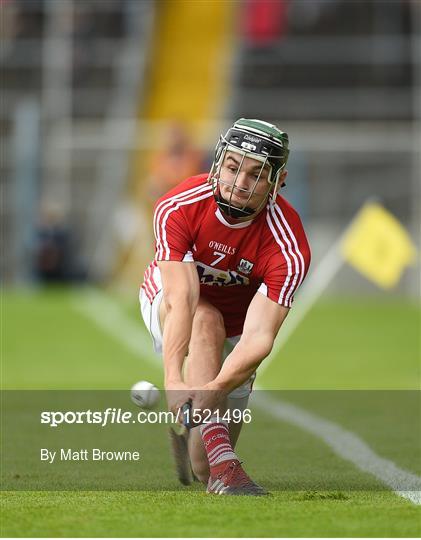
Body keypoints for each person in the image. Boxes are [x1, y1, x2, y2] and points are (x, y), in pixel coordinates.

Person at [139, 118, 311, 495]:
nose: (239, 183)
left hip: (240, 331)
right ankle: (227, 469)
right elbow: (181, 299)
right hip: (172, 302)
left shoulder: (288, 244)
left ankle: (195, 443)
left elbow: (260, 338)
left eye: (255, 174)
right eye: (233, 168)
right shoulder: (177, 207)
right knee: (205, 318)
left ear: (278, 182)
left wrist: (215, 389)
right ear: (218, 163)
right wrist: (173, 379)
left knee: (202, 466)